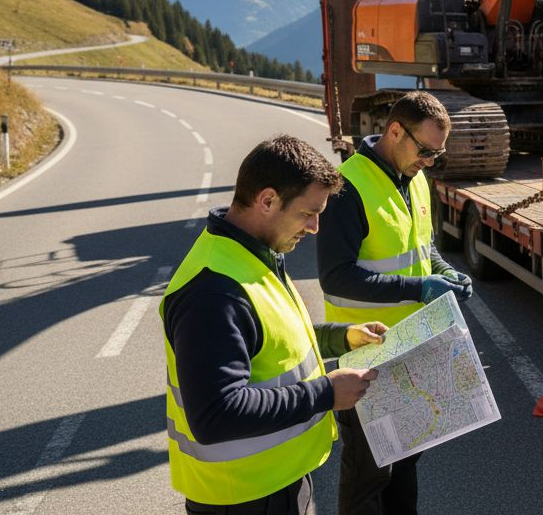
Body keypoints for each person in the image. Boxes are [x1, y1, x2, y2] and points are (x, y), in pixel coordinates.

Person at [161, 134, 385, 514]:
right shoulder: (213, 292)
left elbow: (273, 342)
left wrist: (341, 338)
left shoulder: (253, 253)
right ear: (267, 200)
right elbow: (216, 414)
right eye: (307, 213)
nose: (315, 228)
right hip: (244, 498)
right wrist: (326, 394)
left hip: (275, 484)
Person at [317, 90, 473, 515]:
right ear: (395, 131)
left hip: (411, 351)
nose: (430, 161)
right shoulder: (347, 187)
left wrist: (442, 272)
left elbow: (425, 247)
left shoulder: (416, 177)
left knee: (405, 465)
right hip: (366, 357)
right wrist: (418, 288)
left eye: (437, 154)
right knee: (368, 479)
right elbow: (336, 277)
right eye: (426, 150)